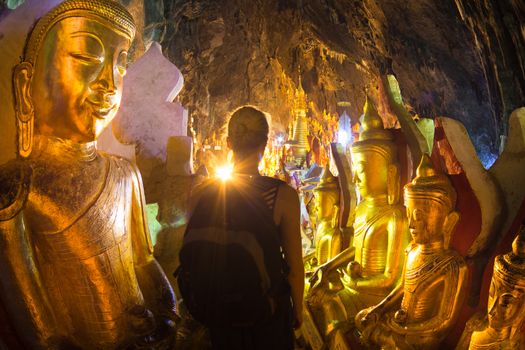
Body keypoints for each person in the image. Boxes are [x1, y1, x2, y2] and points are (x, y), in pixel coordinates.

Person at [182, 106, 304, 350]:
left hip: (218, 313)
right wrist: (297, 312)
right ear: (265, 144)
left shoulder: (201, 194)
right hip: (266, 316)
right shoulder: (282, 196)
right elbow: (294, 267)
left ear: (229, 142)